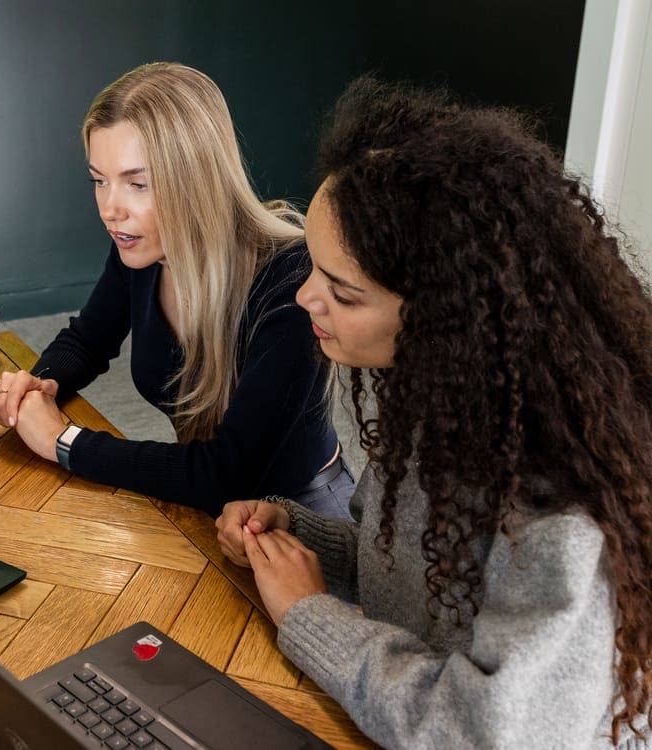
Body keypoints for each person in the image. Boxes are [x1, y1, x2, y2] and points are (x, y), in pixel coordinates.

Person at [216, 77, 652, 748]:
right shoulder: (438, 396)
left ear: (444, 318)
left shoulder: (560, 516)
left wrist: (309, 614)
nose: (305, 297)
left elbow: (484, 735)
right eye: (314, 269)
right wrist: (300, 537)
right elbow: (419, 573)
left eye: (343, 292)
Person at [0, 62, 352, 519]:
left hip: (303, 513)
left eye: (138, 184)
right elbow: (88, 340)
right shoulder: (139, 248)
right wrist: (37, 386)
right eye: (99, 180)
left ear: (196, 180)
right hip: (204, 503)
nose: (110, 208)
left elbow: (227, 473)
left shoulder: (291, 282)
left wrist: (64, 441)